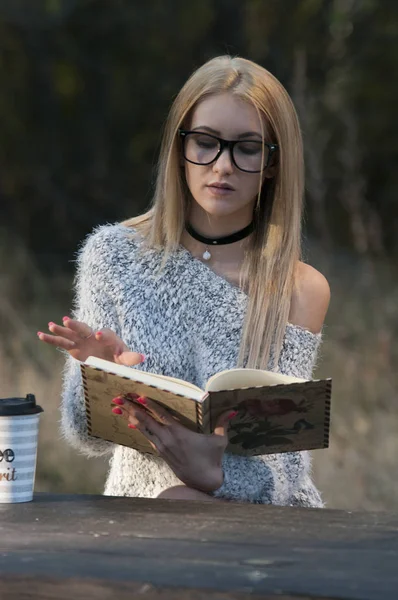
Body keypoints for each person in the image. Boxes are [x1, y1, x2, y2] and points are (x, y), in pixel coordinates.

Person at [38, 55, 330, 505]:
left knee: (184, 500)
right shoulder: (114, 256)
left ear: (273, 163)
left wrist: (213, 478)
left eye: (247, 148)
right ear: (180, 147)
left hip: (261, 531)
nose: (223, 165)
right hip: (144, 521)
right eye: (205, 142)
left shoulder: (299, 288)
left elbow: (285, 468)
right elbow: (87, 438)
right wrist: (96, 372)